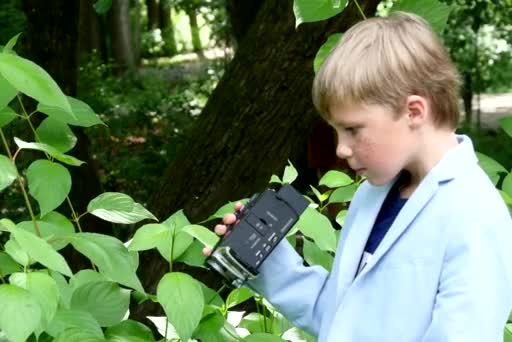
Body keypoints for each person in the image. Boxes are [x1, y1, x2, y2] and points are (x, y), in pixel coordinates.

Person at [203, 11, 512, 342]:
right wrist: (268, 260)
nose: (341, 150)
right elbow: (342, 321)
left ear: (414, 111)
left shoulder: (475, 216)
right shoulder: (372, 195)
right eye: (336, 131)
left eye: (352, 129)